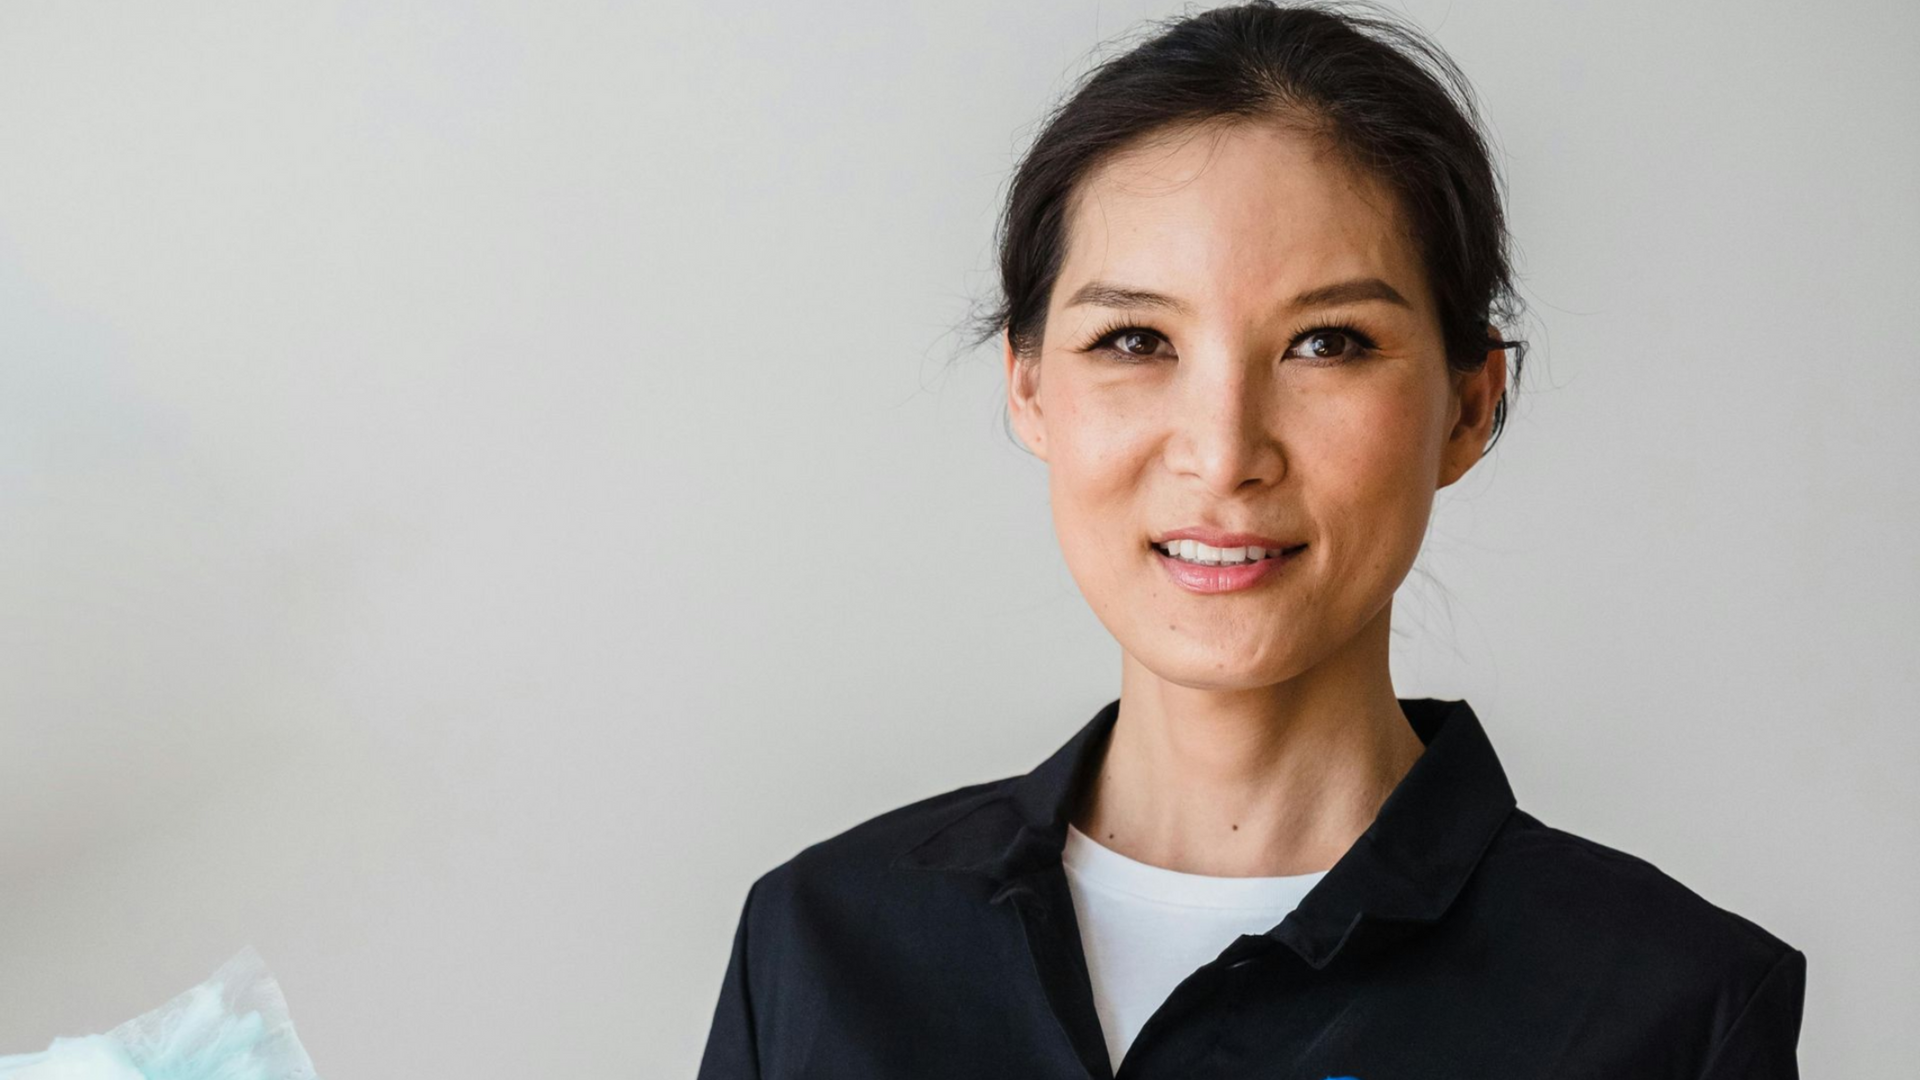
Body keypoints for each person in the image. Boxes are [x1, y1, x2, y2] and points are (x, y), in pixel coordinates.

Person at [696, 3, 1807, 1077]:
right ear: (1030, 391)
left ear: (1469, 406)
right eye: (1135, 338)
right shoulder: (820, 944)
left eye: (1327, 343)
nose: (1223, 452)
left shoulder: (1669, 1009)